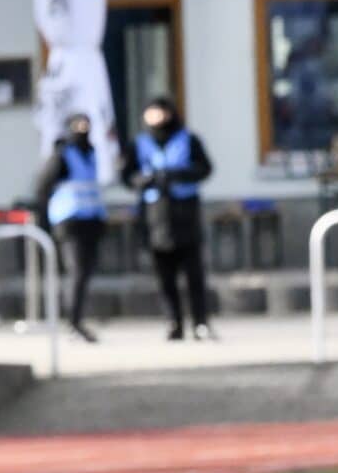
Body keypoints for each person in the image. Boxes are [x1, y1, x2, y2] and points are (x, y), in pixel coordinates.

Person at [122, 95, 215, 341]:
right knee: (164, 275)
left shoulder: (188, 139)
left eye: (161, 112)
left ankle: (200, 323)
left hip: (185, 213)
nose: (157, 117)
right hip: (155, 217)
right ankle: (174, 322)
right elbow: (127, 176)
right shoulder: (139, 143)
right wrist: (146, 180)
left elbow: (204, 168)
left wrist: (177, 175)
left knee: (194, 273)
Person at [34, 112, 108, 343]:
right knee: (76, 272)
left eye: (86, 124)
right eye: (78, 124)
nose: (82, 129)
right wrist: (43, 221)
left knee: (84, 273)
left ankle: (77, 320)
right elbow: (43, 187)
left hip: (91, 220)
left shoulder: (92, 153)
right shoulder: (62, 155)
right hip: (69, 221)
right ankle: (73, 323)